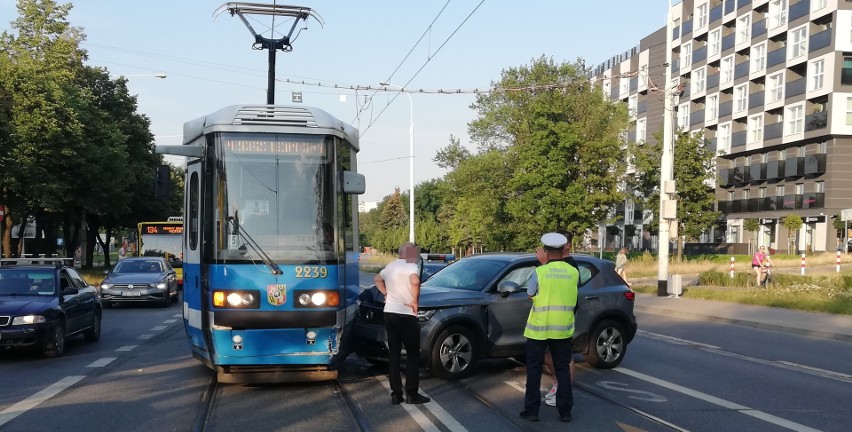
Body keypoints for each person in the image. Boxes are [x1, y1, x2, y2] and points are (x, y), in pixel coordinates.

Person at [520, 232, 578, 423]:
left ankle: (532, 411)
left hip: (539, 329)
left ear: (545, 252)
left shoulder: (539, 272)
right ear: (563, 250)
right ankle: (566, 412)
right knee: (562, 369)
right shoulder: (574, 272)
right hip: (563, 329)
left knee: (534, 370)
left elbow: (530, 294)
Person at [374, 242, 431, 405]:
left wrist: (386, 293)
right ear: (410, 253)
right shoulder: (410, 266)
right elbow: (415, 281)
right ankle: (412, 394)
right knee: (413, 355)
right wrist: (415, 301)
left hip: (390, 312)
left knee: (394, 354)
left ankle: (396, 394)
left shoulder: (391, 266)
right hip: (406, 314)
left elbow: (377, 279)